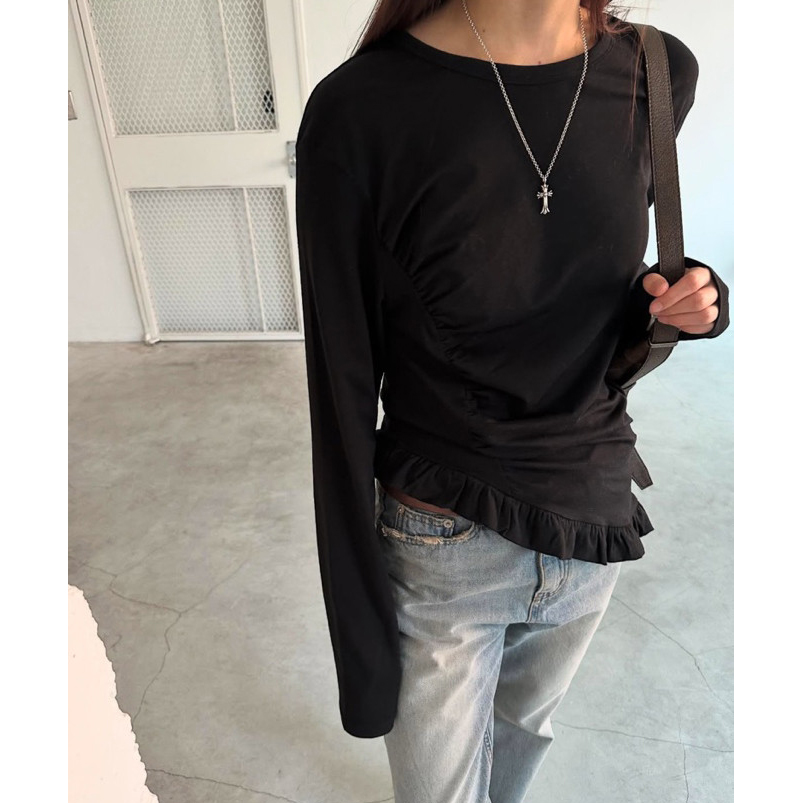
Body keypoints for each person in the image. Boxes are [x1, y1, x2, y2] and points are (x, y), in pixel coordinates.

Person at [294, 1, 730, 801]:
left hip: (591, 513)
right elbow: (341, 379)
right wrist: (361, 644)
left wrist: (684, 300)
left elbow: (585, 277)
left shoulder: (658, 73)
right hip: (444, 535)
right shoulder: (361, 108)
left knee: (523, 737)